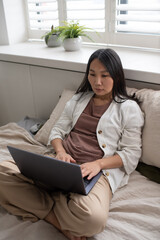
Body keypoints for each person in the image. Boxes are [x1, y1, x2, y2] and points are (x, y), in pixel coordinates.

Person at [0, 48, 144, 240]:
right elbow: (57, 131)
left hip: (95, 172)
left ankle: (42, 199)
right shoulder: (78, 99)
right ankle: (54, 218)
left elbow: (131, 154)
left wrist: (98, 164)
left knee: (93, 220)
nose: (97, 82)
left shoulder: (129, 109)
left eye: (104, 75)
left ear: (116, 76)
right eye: (92, 74)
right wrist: (59, 152)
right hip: (60, 163)